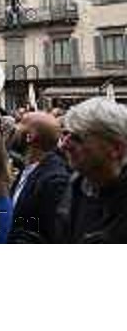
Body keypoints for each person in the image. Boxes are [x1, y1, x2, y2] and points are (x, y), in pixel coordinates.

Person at [56, 98, 127, 243]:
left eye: (77, 138)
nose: (63, 145)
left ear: (116, 149)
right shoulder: (76, 184)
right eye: (65, 134)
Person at [8, 112, 70, 243]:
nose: (14, 128)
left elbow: (52, 234)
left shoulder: (55, 179)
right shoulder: (28, 169)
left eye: (20, 124)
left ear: (30, 137)